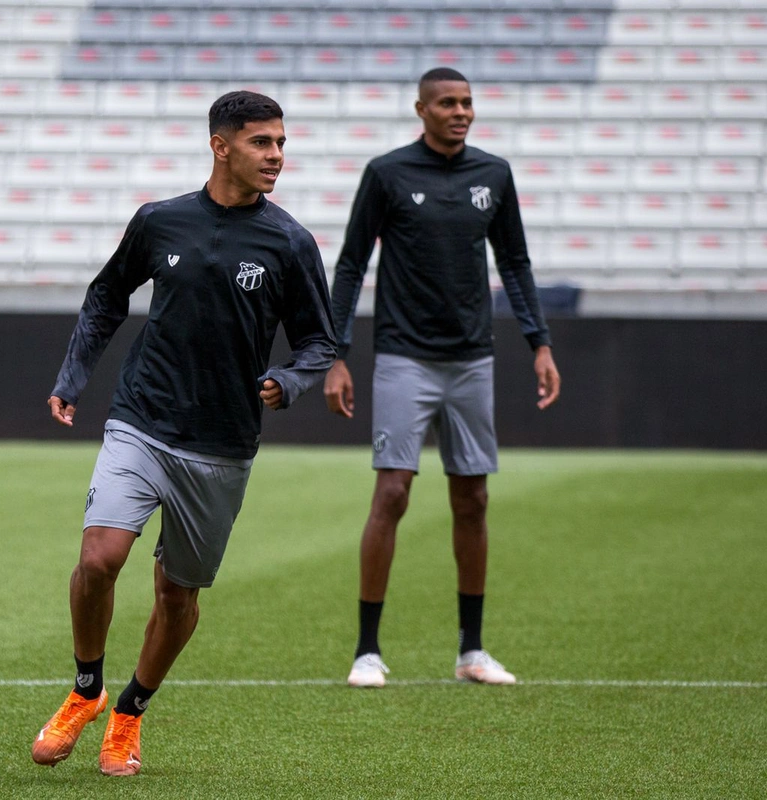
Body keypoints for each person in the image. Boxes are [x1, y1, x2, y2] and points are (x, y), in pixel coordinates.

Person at [31, 90, 336, 776]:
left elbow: (320, 341)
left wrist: (288, 381)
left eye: (282, 143)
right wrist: (73, 375)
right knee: (99, 558)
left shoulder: (290, 242)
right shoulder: (160, 221)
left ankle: (131, 711)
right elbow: (108, 294)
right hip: (142, 418)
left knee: (178, 594)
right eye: (263, 143)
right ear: (220, 145)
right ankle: (85, 691)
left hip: (221, 445)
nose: (277, 157)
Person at [325, 67, 561, 689]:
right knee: (393, 492)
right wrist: (335, 352)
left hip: (472, 359)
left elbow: (514, 260)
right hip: (404, 356)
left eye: (468, 102)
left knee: (473, 498)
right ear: (421, 109)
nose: (461, 112)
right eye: (448, 103)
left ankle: (471, 651)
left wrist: (540, 343)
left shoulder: (495, 175)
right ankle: (367, 650)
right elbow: (351, 264)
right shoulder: (387, 174)